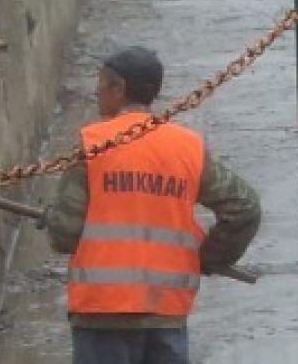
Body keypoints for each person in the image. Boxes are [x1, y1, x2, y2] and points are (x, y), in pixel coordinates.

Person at [47, 47, 261, 364]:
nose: (97, 91)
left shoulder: (93, 143)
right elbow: (244, 208)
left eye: (101, 83)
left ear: (118, 88)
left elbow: (64, 234)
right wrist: (206, 259)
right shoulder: (188, 147)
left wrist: (52, 218)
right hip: (166, 311)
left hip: (102, 312)